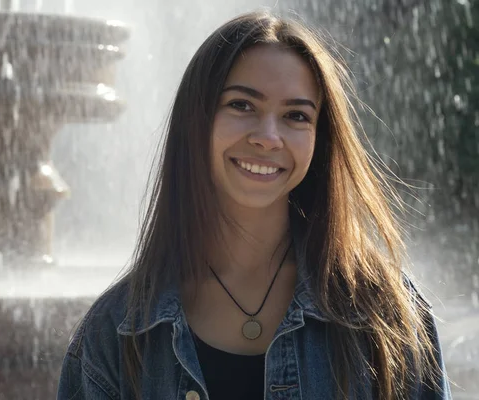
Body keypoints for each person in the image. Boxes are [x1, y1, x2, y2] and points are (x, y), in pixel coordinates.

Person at [57, 11, 452, 400]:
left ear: (320, 140)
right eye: (242, 105)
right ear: (196, 120)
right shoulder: (115, 333)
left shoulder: (384, 313)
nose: (267, 137)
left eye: (296, 115)